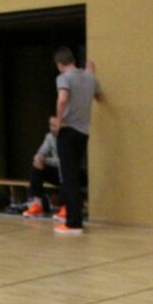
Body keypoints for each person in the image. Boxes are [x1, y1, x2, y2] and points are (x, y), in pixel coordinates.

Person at [52, 47, 103, 236]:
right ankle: (74, 216)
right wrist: (89, 76)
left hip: (68, 131)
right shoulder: (90, 78)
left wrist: (58, 121)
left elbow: (62, 99)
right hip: (83, 132)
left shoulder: (63, 78)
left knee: (69, 177)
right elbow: (99, 97)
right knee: (74, 175)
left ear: (60, 65)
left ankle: (73, 223)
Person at [21, 116, 63, 218]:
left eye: (55, 126)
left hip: (74, 173)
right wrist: (39, 158)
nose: (52, 129)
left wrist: (46, 160)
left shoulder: (68, 137)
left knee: (67, 169)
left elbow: (64, 161)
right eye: (51, 125)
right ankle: (37, 204)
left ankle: (66, 208)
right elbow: (40, 153)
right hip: (58, 173)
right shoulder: (49, 137)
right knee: (37, 165)